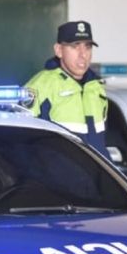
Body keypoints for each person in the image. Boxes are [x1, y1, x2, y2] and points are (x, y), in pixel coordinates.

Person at [25, 20, 108, 157]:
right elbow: (22, 142)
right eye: (75, 46)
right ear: (59, 50)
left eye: (87, 47)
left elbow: (100, 142)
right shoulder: (40, 86)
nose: (83, 54)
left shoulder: (96, 88)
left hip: (93, 170)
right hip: (56, 171)